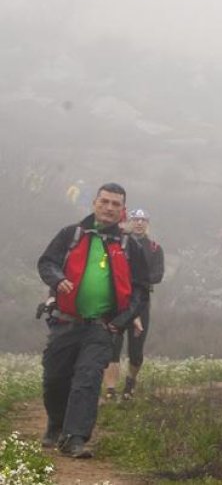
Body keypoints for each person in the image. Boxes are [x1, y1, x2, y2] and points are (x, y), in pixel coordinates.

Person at [37, 183, 149, 458]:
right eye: (105, 201)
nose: (109, 208)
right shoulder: (71, 234)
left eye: (115, 204)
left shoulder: (130, 246)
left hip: (101, 327)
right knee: (54, 379)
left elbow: (140, 290)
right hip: (64, 321)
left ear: (122, 210)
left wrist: (121, 321)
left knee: (87, 380)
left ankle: (75, 438)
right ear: (94, 203)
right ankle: (56, 424)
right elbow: (47, 262)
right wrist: (58, 280)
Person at [103, 208, 164, 401]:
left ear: (148, 224)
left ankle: (130, 383)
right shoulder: (119, 244)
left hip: (141, 301)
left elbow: (158, 275)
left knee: (136, 350)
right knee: (113, 344)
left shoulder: (154, 248)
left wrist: (137, 280)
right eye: (136, 219)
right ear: (129, 222)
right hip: (119, 300)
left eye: (143, 220)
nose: (139, 223)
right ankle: (110, 389)